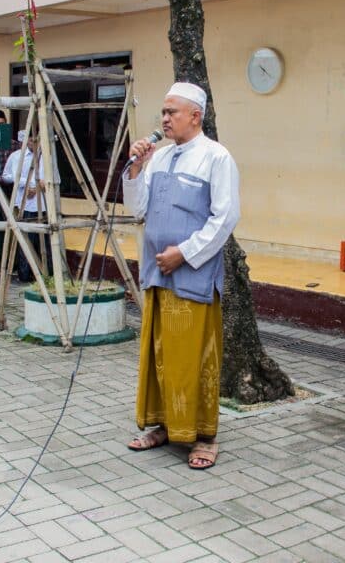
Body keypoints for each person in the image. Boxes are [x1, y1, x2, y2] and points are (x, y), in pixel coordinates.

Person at [123, 82, 240, 470]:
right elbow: (137, 209)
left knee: (195, 358)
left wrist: (185, 254)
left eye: (172, 112)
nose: (164, 118)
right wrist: (136, 168)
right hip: (158, 273)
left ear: (195, 116)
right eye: (163, 111)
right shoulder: (158, 158)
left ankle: (203, 435)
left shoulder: (215, 158)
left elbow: (224, 218)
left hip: (193, 276)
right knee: (158, 355)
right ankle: (161, 426)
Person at [1, 133, 47, 282]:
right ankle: (24, 274)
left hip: (43, 203)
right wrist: (26, 183)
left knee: (42, 240)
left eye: (37, 140)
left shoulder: (46, 156)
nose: (34, 142)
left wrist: (38, 185)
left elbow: (51, 178)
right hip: (23, 202)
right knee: (24, 240)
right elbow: (6, 176)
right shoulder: (16, 156)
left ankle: (42, 273)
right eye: (31, 139)